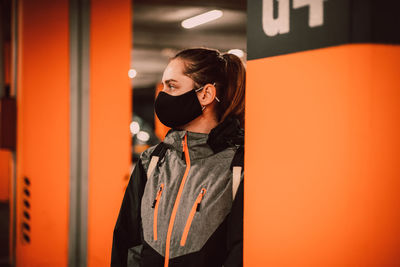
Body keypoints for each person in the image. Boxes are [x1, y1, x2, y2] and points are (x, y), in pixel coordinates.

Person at [111, 47, 245, 267]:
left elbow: (239, 253)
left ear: (205, 94)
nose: (162, 95)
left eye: (172, 86)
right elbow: (127, 242)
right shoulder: (151, 161)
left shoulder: (238, 167)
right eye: (163, 86)